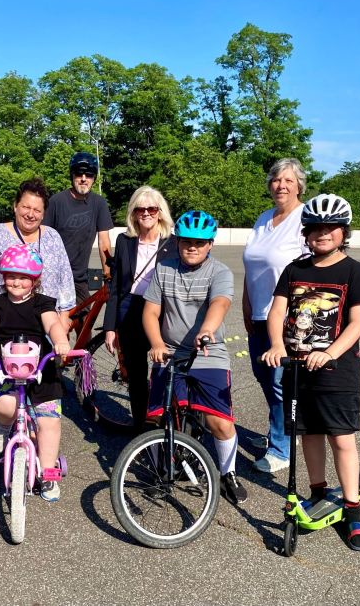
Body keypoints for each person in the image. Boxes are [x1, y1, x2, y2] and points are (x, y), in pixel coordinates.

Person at [262, 193, 360, 551]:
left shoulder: (356, 272)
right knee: (308, 434)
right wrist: (277, 345)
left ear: (344, 232)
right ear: (306, 233)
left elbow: (358, 323)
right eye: (315, 229)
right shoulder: (295, 269)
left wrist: (329, 352)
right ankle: (317, 491)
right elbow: (277, 312)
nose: (322, 235)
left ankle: (353, 511)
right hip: (297, 368)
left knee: (340, 437)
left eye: (331, 228)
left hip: (336, 371)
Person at [143, 210, 248, 505]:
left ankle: (228, 473)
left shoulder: (220, 272)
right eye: (187, 241)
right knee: (157, 417)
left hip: (208, 350)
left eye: (200, 243)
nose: (192, 247)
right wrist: (156, 342)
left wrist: (206, 331)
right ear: (177, 241)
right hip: (170, 350)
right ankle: (157, 469)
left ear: (210, 245)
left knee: (220, 422)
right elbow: (151, 311)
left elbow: (220, 302)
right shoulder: (163, 269)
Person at [0, 244, 71, 502]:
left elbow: (53, 324)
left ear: (34, 280)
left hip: (41, 370)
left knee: (49, 421)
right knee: (5, 405)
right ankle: (2, 427)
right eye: (11, 276)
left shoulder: (43, 303)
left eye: (23, 277)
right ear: (3, 277)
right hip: (7, 370)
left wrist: (60, 341)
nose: (16, 282)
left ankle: (47, 474)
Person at [242, 158, 311, 473]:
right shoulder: (263, 219)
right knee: (265, 379)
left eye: (288, 180)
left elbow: (313, 273)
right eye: (275, 180)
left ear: (299, 184)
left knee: (280, 384)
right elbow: (251, 268)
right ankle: (281, 431)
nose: (281, 185)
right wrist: (246, 307)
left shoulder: (304, 219)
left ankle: (282, 449)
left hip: (287, 319)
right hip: (257, 314)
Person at [103, 185, 176, 433]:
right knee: (135, 375)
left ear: (160, 212)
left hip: (160, 309)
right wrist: (110, 326)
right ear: (133, 213)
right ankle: (141, 429)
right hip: (129, 308)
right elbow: (115, 287)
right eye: (140, 209)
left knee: (163, 370)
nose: (146, 213)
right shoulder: (124, 241)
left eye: (151, 208)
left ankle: (164, 425)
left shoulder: (172, 243)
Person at [0, 177, 75, 330]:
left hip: (48, 327)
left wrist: (63, 319)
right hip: (4, 326)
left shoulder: (53, 237)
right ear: (15, 206)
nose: (31, 214)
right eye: (26, 207)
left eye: (37, 210)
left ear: (43, 213)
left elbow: (65, 279)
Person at [42, 151, 114, 305]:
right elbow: (42, 239)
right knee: (54, 325)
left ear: (94, 178)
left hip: (80, 279)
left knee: (85, 324)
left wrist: (108, 277)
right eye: (79, 174)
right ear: (72, 175)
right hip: (53, 277)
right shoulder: (56, 201)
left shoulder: (99, 203)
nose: (83, 179)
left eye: (88, 175)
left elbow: (104, 242)